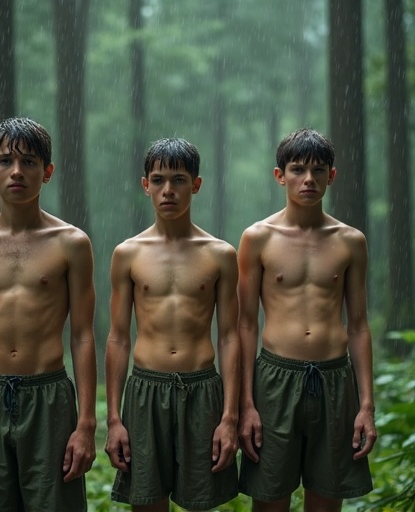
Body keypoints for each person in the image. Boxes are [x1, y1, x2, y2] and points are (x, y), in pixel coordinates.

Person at [0, 117, 97, 512]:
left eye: (29, 162)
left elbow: (83, 336)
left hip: (48, 396)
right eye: (4, 162)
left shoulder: (71, 244)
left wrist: (86, 425)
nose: (17, 172)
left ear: (47, 172)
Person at [237, 128, 377, 512]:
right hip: (274, 380)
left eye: (318, 170)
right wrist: (245, 403)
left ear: (332, 175)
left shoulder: (350, 241)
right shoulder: (257, 238)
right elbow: (245, 325)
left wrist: (366, 404)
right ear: (280, 175)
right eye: (298, 169)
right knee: (269, 498)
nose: (308, 179)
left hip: (334, 379)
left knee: (327, 500)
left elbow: (359, 325)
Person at [104, 138, 240, 511]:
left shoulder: (220, 255)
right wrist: (114, 419)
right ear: (145, 184)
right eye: (159, 179)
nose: (168, 190)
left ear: (196, 185)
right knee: (147, 502)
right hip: (146, 389)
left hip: (202, 388)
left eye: (179, 180)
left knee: (201, 502)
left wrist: (230, 417)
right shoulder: (128, 254)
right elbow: (117, 338)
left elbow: (230, 337)